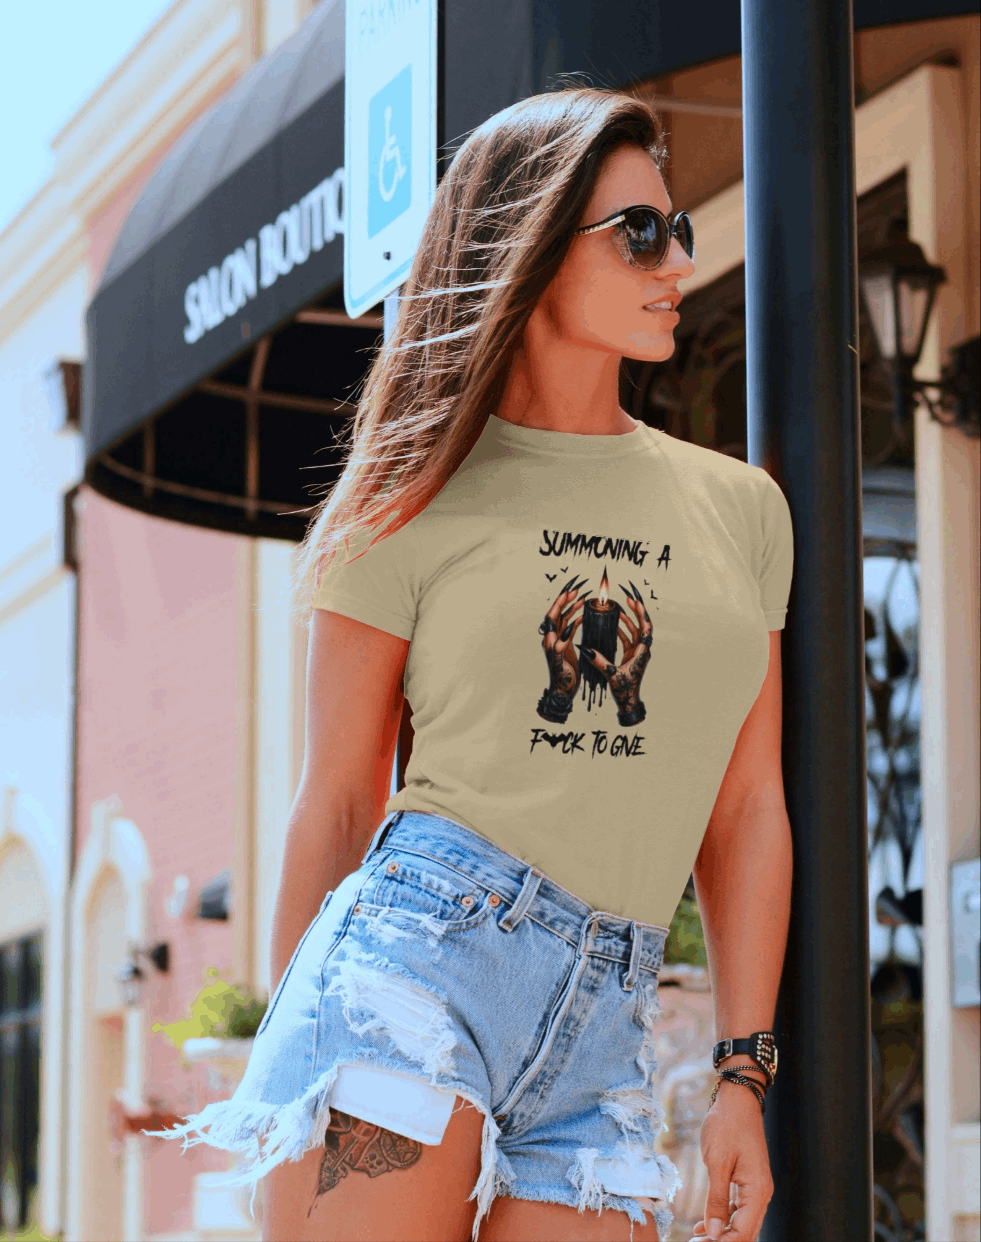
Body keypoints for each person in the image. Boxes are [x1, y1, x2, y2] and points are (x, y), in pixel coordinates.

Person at [155, 86, 794, 1242]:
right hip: (411, 973)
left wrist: (745, 1076)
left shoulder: (740, 510)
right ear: (534, 242)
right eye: (639, 232)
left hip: (610, 1028)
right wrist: (285, 1080)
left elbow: (748, 808)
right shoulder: (408, 497)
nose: (676, 261)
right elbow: (340, 798)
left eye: (678, 228)